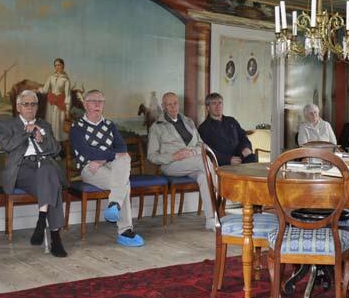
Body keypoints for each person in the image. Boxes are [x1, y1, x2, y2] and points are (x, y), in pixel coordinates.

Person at [69, 89, 144, 247]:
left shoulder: (109, 125)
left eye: (100, 101)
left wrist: (103, 159)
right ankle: (125, 231)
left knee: (125, 158)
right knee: (124, 184)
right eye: (93, 101)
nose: (97, 104)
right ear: (85, 104)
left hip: (106, 164)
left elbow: (122, 148)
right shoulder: (77, 127)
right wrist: (109, 155)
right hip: (89, 168)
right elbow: (86, 152)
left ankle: (114, 205)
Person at [0, 90, 68, 257]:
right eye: (26, 104)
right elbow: (7, 145)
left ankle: (41, 220)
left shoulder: (45, 125)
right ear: (18, 107)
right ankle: (55, 238)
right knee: (52, 184)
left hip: (44, 165)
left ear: (37, 107)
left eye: (33, 104)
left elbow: (56, 150)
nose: (30, 107)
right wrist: (26, 132)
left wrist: (41, 137)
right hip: (22, 168)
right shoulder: (8, 124)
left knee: (48, 171)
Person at [147, 92, 215, 230]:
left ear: (178, 104)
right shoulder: (157, 127)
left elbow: (201, 144)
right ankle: (223, 199)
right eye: (169, 104)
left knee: (203, 176)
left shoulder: (188, 122)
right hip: (171, 165)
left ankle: (211, 219)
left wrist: (191, 152)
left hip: (192, 162)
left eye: (175, 103)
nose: (173, 107)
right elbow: (152, 156)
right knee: (206, 161)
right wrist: (173, 157)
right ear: (163, 106)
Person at [198, 92, 257, 166]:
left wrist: (246, 148)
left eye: (220, 103)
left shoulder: (231, 121)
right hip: (223, 163)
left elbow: (243, 136)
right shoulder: (204, 128)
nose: (218, 106)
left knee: (253, 159)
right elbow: (208, 150)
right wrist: (228, 159)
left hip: (240, 157)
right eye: (214, 103)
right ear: (208, 108)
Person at [41, 58, 71, 142]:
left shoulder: (66, 79)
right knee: (50, 123)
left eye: (59, 65)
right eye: (56, 65)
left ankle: (57, 144)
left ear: (63, 66)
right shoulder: (51, 77)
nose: (57, 67)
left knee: (58, 126)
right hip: (51, 103)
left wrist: (67, 110)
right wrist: (37, 90)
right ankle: (50, 142)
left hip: (60, 104)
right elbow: (45, 89)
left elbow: (68, 95)